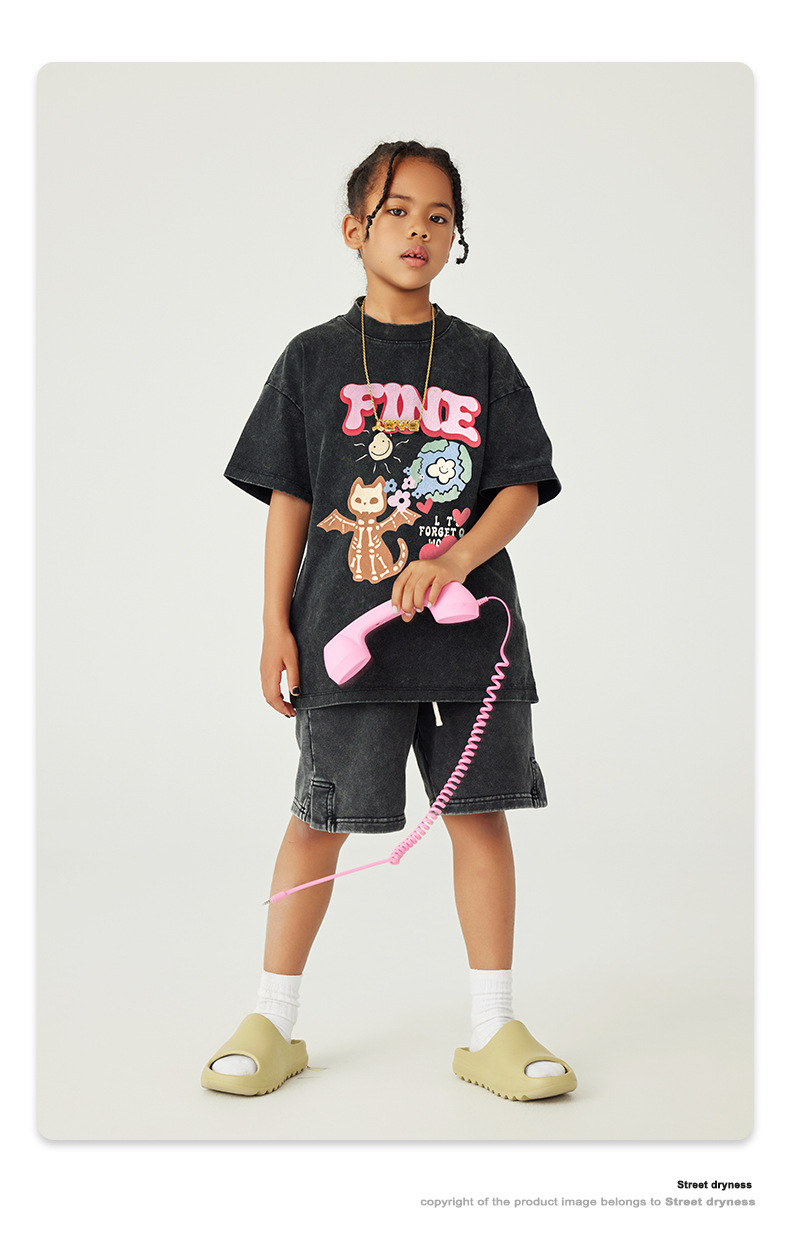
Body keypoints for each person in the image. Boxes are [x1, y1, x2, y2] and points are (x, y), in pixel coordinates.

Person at [201, 140, 577, 1102]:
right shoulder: (313, 358)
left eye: (440, 216)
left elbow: (520, 484)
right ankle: (271, 1019)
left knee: (480, 821)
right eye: (398, 211)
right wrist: (273, 624)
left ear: (458, 237)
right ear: (354, 230)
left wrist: (453, 557)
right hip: (346, 639)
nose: (419, 230)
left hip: (467, 641)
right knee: (317, 821)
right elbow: (289, 496)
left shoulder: (481, 357)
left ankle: (493, 1026)